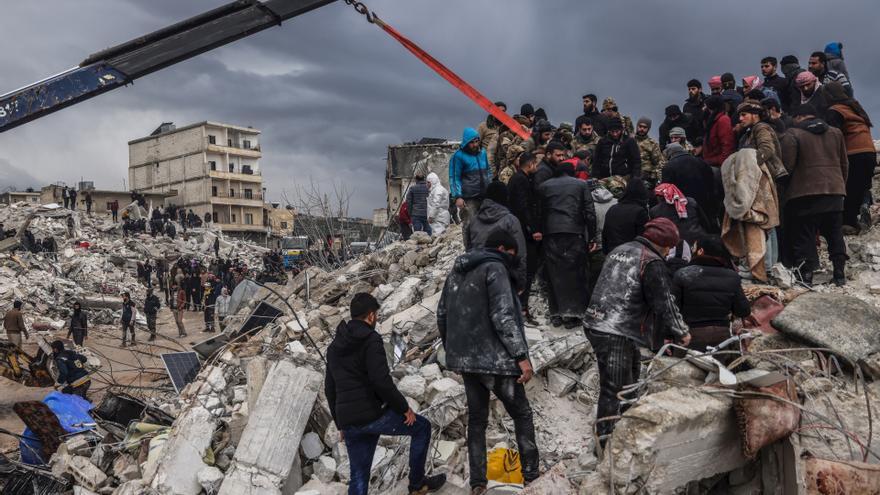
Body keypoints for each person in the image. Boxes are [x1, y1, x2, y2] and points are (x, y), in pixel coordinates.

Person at [437, 230, 538, 493]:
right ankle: (532, 478)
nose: (512, 262)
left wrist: (454, 352)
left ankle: (478, 484)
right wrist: (521, 357)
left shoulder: (457, 271)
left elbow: (442, 314)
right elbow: (503, 316)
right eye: (512, 256)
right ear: (503, 249)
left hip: (467, 362)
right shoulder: (496, 268)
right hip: (497, 361)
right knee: (523, 415)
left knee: (477, 421)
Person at [326, 293, 445, 495]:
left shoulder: (333, 347)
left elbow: (329, 388)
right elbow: (381, 380)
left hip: (349, 421)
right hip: (373, 414)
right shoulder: (371, 339)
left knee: (359, 476)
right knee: (421, 427)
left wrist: (340, 423)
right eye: (377, 315)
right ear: (371, 316)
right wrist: (404, 408)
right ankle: (417, 484)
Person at [584, 218, 691, 440]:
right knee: (614, 388)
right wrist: (681, 331)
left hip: (597, 322)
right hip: (615, 329)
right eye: (670, 246)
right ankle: (606, 441)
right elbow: (664, 302)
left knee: (631, 376)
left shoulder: (620, 249)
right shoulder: (651, 261)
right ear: (662, 243)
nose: (669, 251)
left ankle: (626, 425)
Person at [780, 104, 849, 286]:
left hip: (803, 194)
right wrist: (840, 185)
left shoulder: (792, 134)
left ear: (799, 117)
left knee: (805, 235)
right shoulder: (835, 133)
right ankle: (840, 274)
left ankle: (807, 275)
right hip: (834, 191)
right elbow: (844, 163)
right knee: (835, 233)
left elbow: (787, 167)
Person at [535, 160, 598, 328]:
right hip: (574, 232)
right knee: (575, 273)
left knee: (554, 273)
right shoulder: (580, 185)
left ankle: (556, 313)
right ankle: (574, 314)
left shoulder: (544, 186)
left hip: (551, 233)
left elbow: (539, 212)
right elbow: (590, 212)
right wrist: (592, 237)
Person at [671, 235, 752, 352]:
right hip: (721, 338)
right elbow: (743, 310)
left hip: (688, 336)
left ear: (700, 251)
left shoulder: (682, 274)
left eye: (694, 248)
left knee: (684, 368)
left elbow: (672, 310)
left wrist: (667, 336)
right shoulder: (732, 276)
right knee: (718, 369)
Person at [824, 81, 876, 234]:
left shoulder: (834, 110)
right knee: (863, 186)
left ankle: (849, 223)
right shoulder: (854, 107)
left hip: (854, 153)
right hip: (869, 151)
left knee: (850, 187)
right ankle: (864, 210)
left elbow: (833, 135)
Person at [464, 181, 527, 291]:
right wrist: (520, 282)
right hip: (504, 278)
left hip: (478, 279)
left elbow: (469, 251)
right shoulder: (511, 220)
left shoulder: (473, 221)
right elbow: (520, 254)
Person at [507, 152, 540, 321]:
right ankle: (522, 309)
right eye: (536, 164)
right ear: (530, 164)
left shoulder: (519, 179)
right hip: (523, 233)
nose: (537, 168)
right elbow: (524, 207)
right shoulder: (521, 181)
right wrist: (533, 229)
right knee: (526, 270)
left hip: (519, 230)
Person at [662, 143, 719, 228]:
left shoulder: (668, 167)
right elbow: (712, 183)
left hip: (686, 209)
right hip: (706, 204)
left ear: (669, 153)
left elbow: (668, 192)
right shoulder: (701, 162)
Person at [449, 127, 491, 231]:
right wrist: (457, 197)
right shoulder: (458, 156)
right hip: (469, 199)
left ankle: (483, 247)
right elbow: (454, 178)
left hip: (484, 197)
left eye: (477, 141)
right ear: (466, 142)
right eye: (472, 142)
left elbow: (488, 171)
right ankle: (470, 247)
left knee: (486, 226)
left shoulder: (483, 153)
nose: (475, 144)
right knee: (470, 226)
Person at [602, 178, 650, 254]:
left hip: (612, 253)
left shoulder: (612, 208)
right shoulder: (640, 212)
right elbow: (643, 238)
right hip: (631, 255)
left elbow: (605, 233)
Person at [702, 95, 735, 167]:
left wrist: (710, 162)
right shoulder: (712, 122)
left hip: (720, 165)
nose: (703, 109)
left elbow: (727, 147)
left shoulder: (723, 120)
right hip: (710, 162)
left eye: (706, 106)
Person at [634, 117, 666, 189]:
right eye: (640, 126)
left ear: (648, 129)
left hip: (645, 175)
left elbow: (658, 162)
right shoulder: (630, 140)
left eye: (645, 127)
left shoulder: (652, 144)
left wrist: (658, 180)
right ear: (637, 126)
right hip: (630, 172)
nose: (642, 129)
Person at [477, 101, 506, 168]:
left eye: (504, 111)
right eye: (499, 111)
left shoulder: (505, 128)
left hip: (500, 164)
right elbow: (476, 144)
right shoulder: (483, 126)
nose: (502, 113)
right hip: (485, 163)